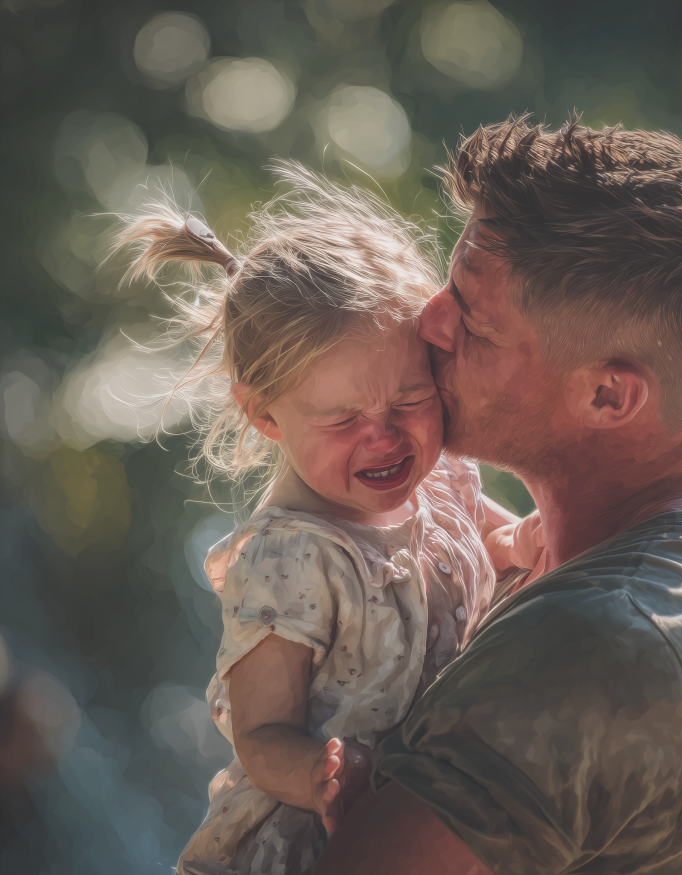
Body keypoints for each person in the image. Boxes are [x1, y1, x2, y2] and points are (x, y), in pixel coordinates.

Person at [315, 117, 682, 875]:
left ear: (607, 394)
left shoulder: (591, 641)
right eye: (448, 284)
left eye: (474, 323)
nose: (427, 320)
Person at [114, 166, 541, 875]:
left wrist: (535, 537)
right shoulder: (289, 558)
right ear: (263, 414)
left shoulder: (442, 483)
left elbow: (498, 548)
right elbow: (260, 732)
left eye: (409, 400)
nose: (382, 436)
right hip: (311, 842)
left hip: (429, 815)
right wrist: (318, 773)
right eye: (343, 419)